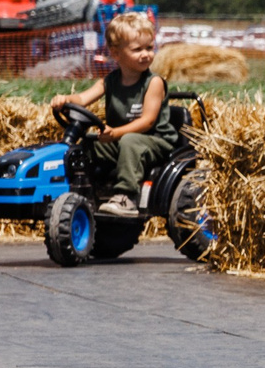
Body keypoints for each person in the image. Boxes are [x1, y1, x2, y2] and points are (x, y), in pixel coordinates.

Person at [50, 12, 175, 218]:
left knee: (130, 142)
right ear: (116, 54)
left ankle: (127, 197)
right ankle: (82, 190)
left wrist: (116, 133)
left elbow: (147, 121)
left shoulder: (153, 83)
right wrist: (64, 99)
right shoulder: (109, 81)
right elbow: (82, 99)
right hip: (121, 139)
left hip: (155, 141)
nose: (146, 54)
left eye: (149, 48)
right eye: (137, 49)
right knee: (88, 146)